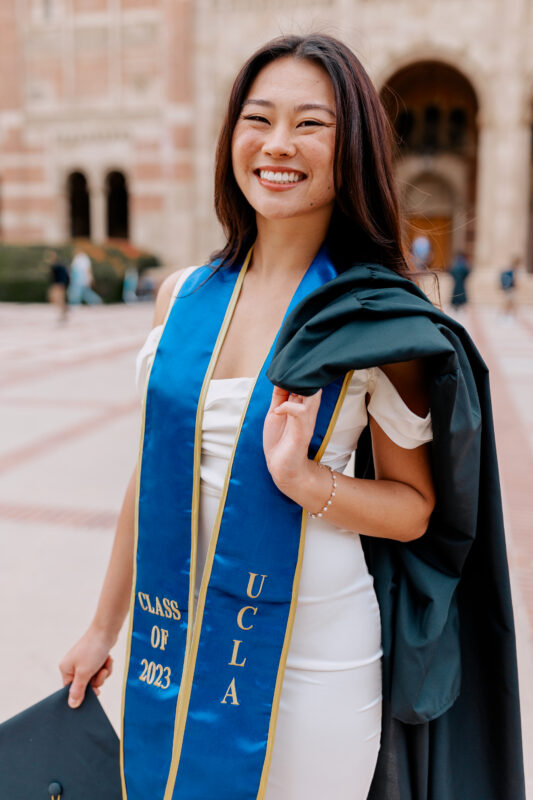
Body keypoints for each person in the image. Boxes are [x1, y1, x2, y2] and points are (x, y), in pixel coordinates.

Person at [60, 35, 525, 800]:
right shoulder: (183, 298)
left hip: (316, 661)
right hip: (173, 638)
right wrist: (101, 630)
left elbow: (414, 511)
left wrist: (303, 479)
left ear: (352, 151)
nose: (278, 145)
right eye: (258, 118)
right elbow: (153, 480)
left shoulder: (375, 318)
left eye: (311, 125)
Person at [46, 249, 70, 322]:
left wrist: (62, 283)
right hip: (58, 284)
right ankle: (63, 310)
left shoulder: (57, 266)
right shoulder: (58, 265)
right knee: (56, 298)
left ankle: (64, 311)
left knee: (58, 299)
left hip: (58, 284)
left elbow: (63, 276)